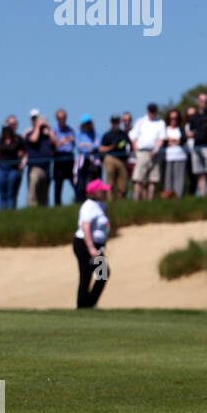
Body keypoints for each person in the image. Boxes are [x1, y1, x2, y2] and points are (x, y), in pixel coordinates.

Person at [73, 179, 112, 309]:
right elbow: (86, 227)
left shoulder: (101, 204)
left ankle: (89, 303)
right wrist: (91, 248)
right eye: (102, 190)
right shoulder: (88, 206)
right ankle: (82, 304)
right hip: (84, 244)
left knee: (103, 274)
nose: (105, 192)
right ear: (95, 193)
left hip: (96, 245)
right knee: (87, 273)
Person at [129, 103, 166, 201]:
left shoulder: (160, 122)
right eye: (150, 111)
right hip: (142, 153)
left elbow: (161, 138)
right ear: (147, 111)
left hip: (155, 153)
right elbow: (133, 137)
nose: (152, 113)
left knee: (153, 180)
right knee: (138, 179)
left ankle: (150, 202)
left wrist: (155, 150)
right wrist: (136, 151)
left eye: (154, 111)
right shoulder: (140, 121)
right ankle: (136, 201)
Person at [0, 118, 27, 210]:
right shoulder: (0, 141)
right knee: (2, 192)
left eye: (8, 129)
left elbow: (25, 152)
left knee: (11, 192)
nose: (7, 131)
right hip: (2, 168)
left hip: (13, 168)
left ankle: (11, 211)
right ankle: (3, 212)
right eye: (5, 129)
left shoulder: (18, 139)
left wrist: (23, 162)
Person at [23, 110, 56, 207]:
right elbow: (33, 139)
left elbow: (55, 142)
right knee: (33, 190)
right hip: (35, 167)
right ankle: (31, 208)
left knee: (44, 193)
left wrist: (48, 128)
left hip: (46, 167)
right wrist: (37, 126)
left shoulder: (47, 135)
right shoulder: (29, 133)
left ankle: (44, 208)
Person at [188, 94, 207, 196]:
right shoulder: (194, 117)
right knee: (200, 174)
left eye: (205, 101)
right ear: (198, 102)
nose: (203, 103)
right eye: (201, 101)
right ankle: (203, 195)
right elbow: (191, 131)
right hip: (197, 147)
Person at [98, 115, 131, 199]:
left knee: (123, 184)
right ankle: (110, 200)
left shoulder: (124, 134)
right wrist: (111, 147)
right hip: (110, 158)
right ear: (111, 122)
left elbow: (129, 145)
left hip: (122, 160)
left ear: (119, 122)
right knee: (110, 182)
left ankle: (121, 201)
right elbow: (100, 149)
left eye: (116, 121)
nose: (115, 123)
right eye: (113, 121)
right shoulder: (107, 135)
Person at [51, 109, 77, 206]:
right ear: (57, 119)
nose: (62, 119)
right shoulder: (53, 130)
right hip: (59, 157)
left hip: (69, 157)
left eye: (64, 118)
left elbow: (75, 142)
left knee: (74, 181)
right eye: (60, 118)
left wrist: (69, 140)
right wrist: (62, 142)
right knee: (58, 183)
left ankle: (79, 201)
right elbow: (54, 145)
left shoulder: (70, 130)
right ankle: (57, 205)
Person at [162, 108, 189, 197]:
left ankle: (178, 197)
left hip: (180, 157)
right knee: (168, 179)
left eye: (175, 118)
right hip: (168, 157)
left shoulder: (181, 129)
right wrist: (174, 141)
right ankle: (168, 197)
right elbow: (164, 141)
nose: (173, 120)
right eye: (171, 118)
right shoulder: (165, 129)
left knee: (179, 179)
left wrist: (172, 141)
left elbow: (183, 140)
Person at [74, 115, 102, 195]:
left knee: (93, 180)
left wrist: (86, 145)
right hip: (82, 161)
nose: (87, 124)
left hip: (94, 161)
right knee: (81, 182)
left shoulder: (96, 133)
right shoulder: (79, 134)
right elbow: (79, 146)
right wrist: (89, 146)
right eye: (86, 123)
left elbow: (97, 145)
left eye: (89, 123)